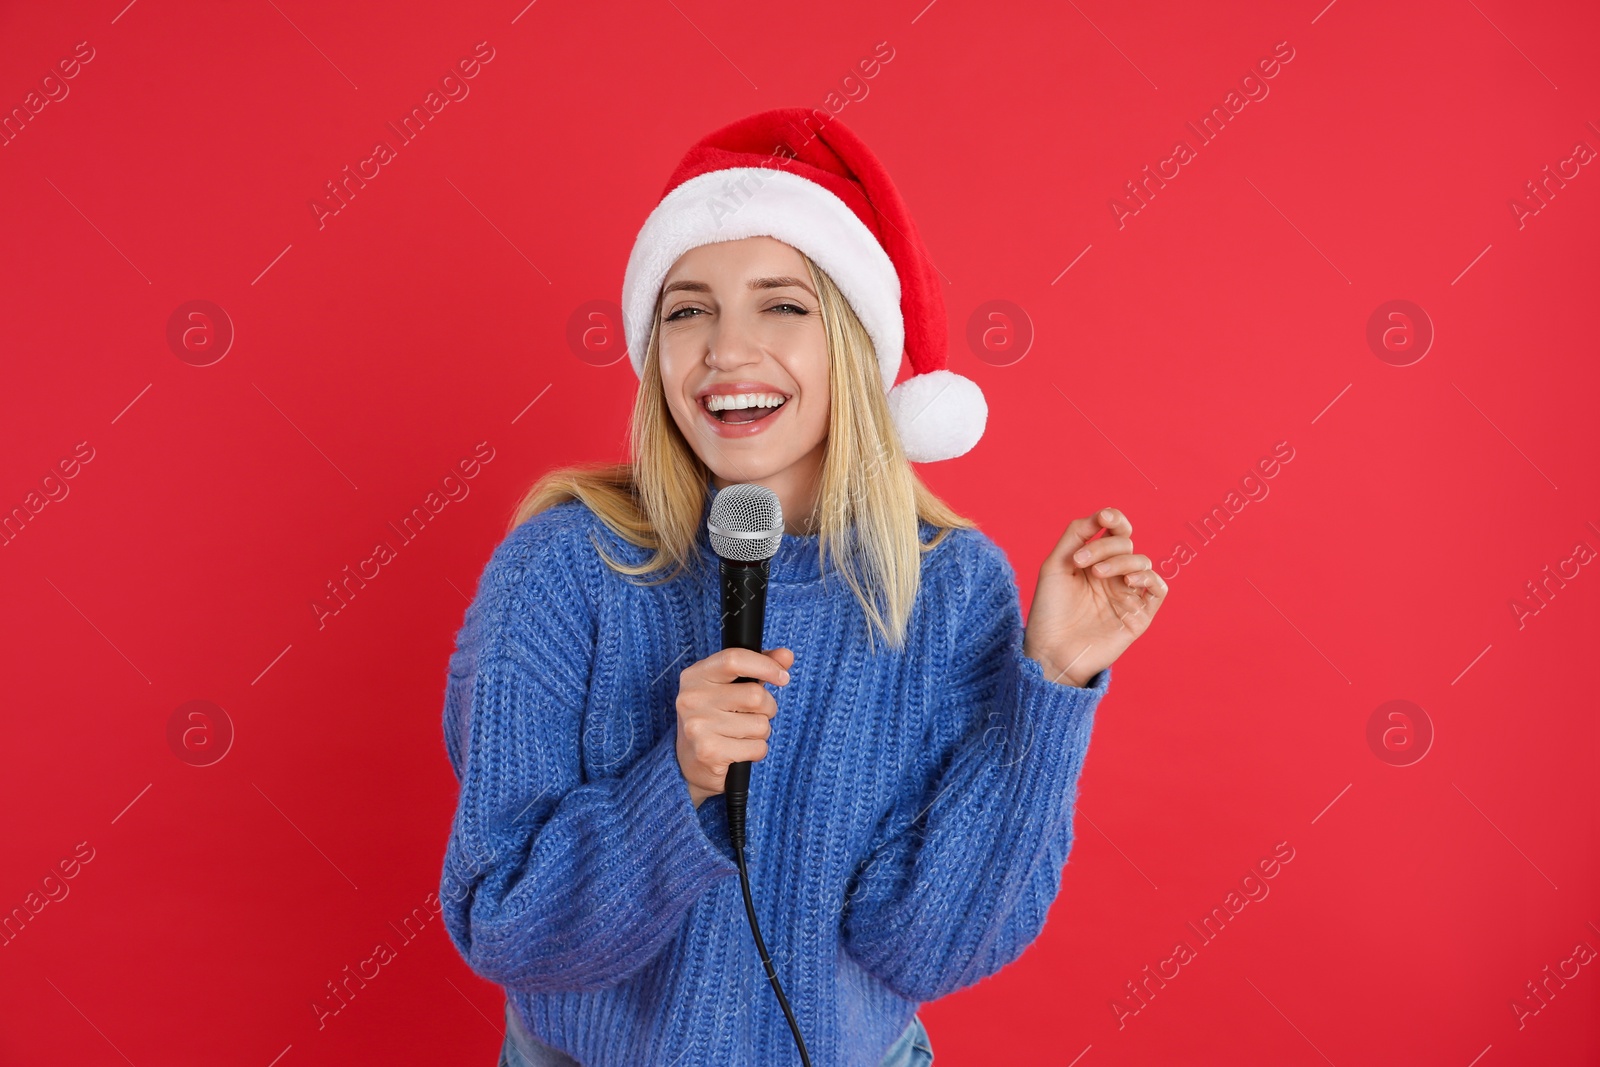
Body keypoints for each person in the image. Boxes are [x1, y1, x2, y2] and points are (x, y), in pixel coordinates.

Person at [438, 107, 1167, 1067]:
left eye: (781, 304)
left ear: (855, 346)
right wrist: (676, 782)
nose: (727, 351)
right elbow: (504, 926)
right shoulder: (566, 568)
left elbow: (927, 947)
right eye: (687, 308)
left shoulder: (947, 587)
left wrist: (1052, 685)